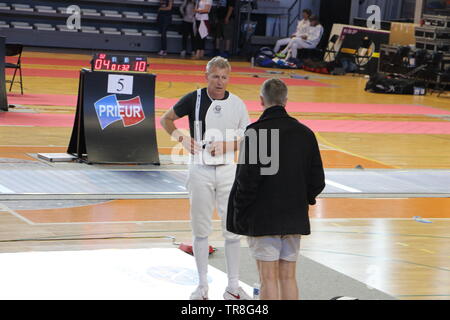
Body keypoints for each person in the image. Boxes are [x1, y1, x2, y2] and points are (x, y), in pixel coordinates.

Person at [160, 57, 251, 300]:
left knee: (232, 230)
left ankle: (233, 287)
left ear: (228, 78)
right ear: (206, 76)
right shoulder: (194, 98)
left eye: (224, 77)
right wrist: (180, 137)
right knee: (200, 231)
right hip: (199, 170)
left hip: (227, 172)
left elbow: (247, 135)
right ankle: (202, 287)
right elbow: (165, 119)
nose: (219, 82)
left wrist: (227, 145)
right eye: (215, 76)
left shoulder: (238, 104)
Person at [227, 78, 325, 300]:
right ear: (286, 100)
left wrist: (240, 213)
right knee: (288, 277)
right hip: (293, 216)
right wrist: (301, 200)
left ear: (261, 100)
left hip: (263, 217)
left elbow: (246, 181)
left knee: (267, 278)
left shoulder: (256, 132)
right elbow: (317, 180)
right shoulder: (305, 134)